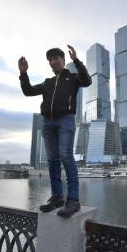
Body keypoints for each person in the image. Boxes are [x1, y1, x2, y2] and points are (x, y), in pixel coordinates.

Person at [18, 45, 91, 218]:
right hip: (48, 123)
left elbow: (87, 81)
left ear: (63, 60)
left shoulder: (73, 78)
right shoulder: (47, 83)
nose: (52, 61)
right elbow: (28, 91)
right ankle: (57, 198)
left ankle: (73, 200)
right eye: (50, 60)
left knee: (66, 155)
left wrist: (76, 60)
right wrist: (23, 73)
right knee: (52, 160)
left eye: (56, 58)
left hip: (66, 119)